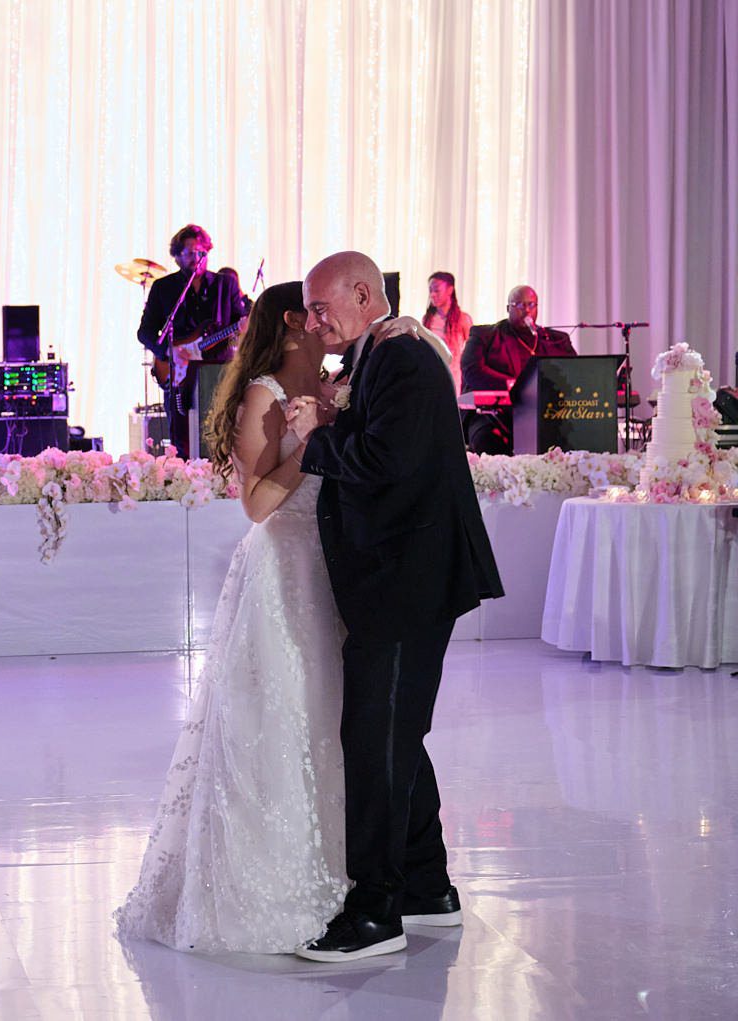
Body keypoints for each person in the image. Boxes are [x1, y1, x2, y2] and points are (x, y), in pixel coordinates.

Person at [115, 284, 432, 954]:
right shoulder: (262, 392)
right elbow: (256, 503)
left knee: (349, 722)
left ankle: (363, 873)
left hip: (341, 570)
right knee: (283, 717)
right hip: (284, 570)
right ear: (293, 322)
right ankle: (281, 884)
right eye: (316, 312)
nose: (328, 323)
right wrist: (305, 444)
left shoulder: (342, 380)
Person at [286, 251, 503, 962]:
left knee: (374, 738)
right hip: (400, 576)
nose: (315, 323)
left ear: (363, 293)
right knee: (394, 733)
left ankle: (375, 909)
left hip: (407, 579)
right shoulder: (381, 351)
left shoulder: (403, 357)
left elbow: (386, 463)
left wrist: (319, 434)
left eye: (323, 308)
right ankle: (427, 885)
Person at [137, 225, 246, 454]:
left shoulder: (225, 285)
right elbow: (145, 332)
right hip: (178, 373)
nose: (196, 258)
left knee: (219, 434)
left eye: (201, 252)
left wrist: (244, 328)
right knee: (182, 439)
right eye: (189, 253)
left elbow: (239, 322)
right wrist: (167, 353)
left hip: (216, 370)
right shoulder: (163, 288)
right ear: (177, 257)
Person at [461, 284, 576, 454]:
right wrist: (516, 385)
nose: (527, 310)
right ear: (508, 308)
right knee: (488, 441)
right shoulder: (485, 335)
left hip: (544, 415)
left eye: (532, 305)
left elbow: (575, 371)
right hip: (492, 415)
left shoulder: (554, 339)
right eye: (520, 305)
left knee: (570, 438)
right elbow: (472, 371)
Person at [421, 271, 471, 392]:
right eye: (430, 290)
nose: (432, 294)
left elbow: (470, 350)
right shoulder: (427, 320)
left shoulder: (462, 319)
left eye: (437, 290)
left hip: (453, 376)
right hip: (431, 374)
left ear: (450, 290)